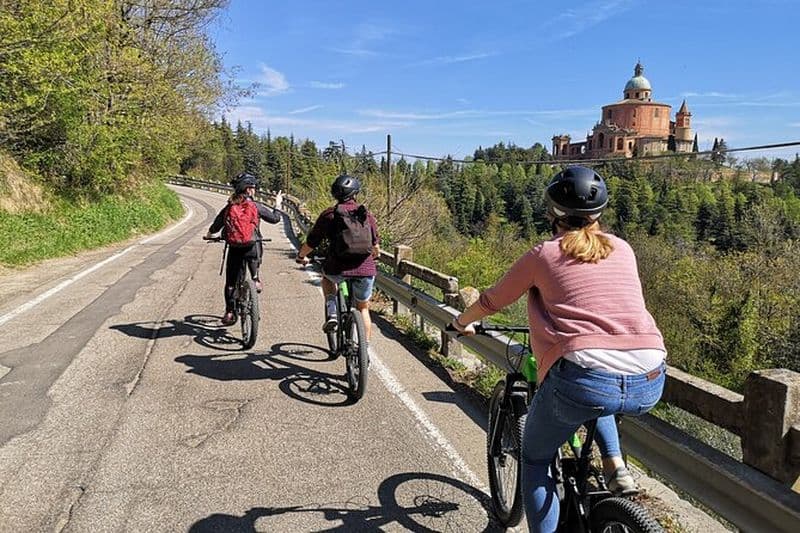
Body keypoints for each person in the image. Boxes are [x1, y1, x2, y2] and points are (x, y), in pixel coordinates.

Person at [451, 166, 666, 532]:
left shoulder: (544, 254)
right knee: (600, 394)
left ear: (552, 212)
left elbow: (491, 301)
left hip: (584, 376)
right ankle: (615, 465)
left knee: (535, 459)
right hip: (650, 374)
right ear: (599, 214)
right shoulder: (623, 249)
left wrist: (460, 322)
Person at [295, 173, 380, 343]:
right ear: (355, 194)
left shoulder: (330, 215)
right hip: (365, 269)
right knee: (363, 308)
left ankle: (332, 311)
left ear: (335, 194)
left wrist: (301, 256)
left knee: (326, 278)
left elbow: (312, 241)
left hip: (337, 267)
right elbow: (376, 247)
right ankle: (365, 351)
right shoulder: (366, 214)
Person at [205, 173, 281, 326]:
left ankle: (230, 312)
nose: (255, 190)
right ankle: (256, 278)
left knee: (231, 282)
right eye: (253, 188)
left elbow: (216, 225)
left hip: (235, 248)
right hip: (252, 248)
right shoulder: (255, 206)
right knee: (256, 248)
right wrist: (278, 204)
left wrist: (209, 234)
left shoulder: (230, 206)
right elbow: (275, 219)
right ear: (248, 190)